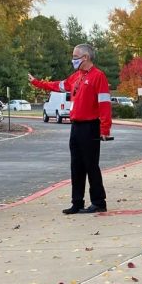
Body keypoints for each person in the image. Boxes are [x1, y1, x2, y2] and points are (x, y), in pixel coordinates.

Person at [28, 43, 113, 214]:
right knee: (76, 166)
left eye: (75, 57)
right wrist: (37, 83)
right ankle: (77, 202)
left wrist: (105, 129)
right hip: (76, 126)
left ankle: (98, 201)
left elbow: (104, 104)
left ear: (85, 57)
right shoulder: (76, 77)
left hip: (90, 126)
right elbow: (58, 85)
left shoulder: (98, 76)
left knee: (91, 165)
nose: (72, 59)